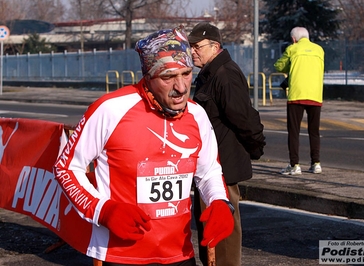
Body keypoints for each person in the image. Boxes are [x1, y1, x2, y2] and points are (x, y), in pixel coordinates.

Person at [53, 26, 235, 266]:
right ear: (148, 76)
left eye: (186, 73)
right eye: (168, 77)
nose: (181, 87)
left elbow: (209, 171)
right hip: (121, 254)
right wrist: (102, 211)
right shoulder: (110, 110)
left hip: (179, 253)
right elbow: (66, 168)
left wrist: (220, 202)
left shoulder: (197, 115)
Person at [187, 22, 266, 266]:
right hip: (210, 163)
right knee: (210, 228)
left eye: (197, 47)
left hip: (223, 165)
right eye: (190, 47)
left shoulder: (225, 74)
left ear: (215, 46)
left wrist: (256, 146)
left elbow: (244, 117)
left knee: (224, 230)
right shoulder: (210, 74)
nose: (192, 52)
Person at [274, 26, 324, 175]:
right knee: (314, 131)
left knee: (294, 131)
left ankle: (294, 165)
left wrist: (290, 68)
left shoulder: (292, 49)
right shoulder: (319, 50)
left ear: (294, 39)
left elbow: (279, 65)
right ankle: (316, 163)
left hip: (297, 95)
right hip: (315, 95)